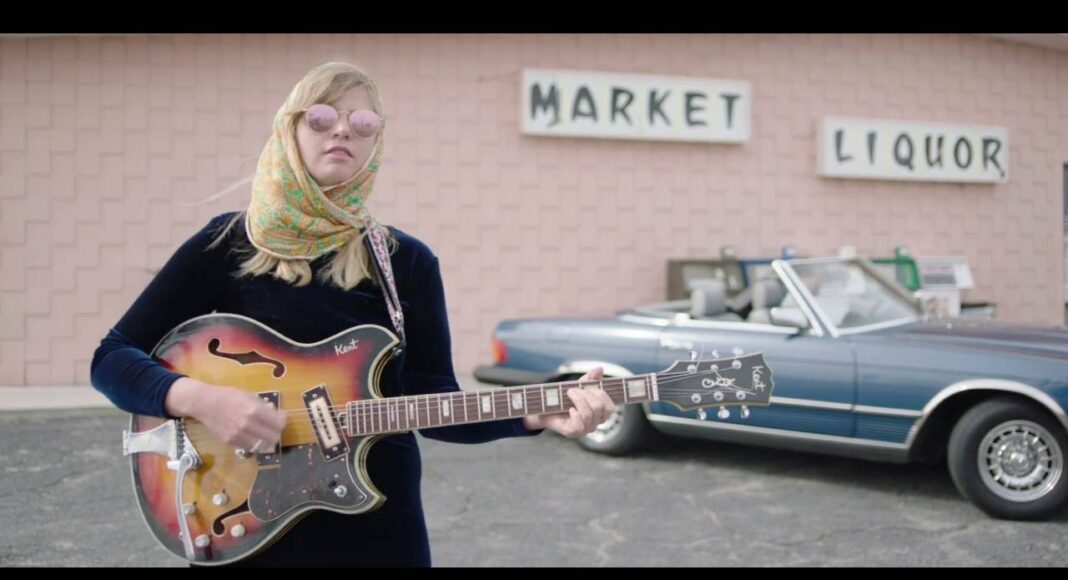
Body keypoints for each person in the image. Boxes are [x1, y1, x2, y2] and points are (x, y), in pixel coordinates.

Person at [90, 61, 615, 567]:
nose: (341, 130)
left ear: (375, 142)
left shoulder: (406, 261)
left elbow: (435, 400)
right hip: (245, 524)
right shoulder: (227, 242)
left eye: (362, 122)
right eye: (321, 117)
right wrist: (203, 400)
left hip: (378, 532)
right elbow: (112, 359)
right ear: (290, 129)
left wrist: (533, 414)